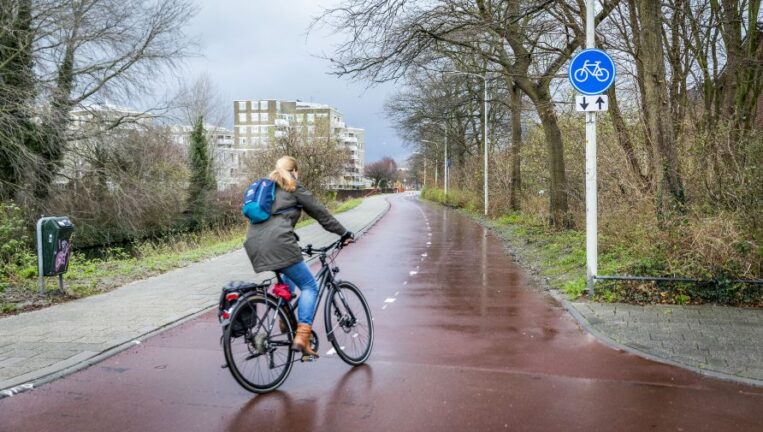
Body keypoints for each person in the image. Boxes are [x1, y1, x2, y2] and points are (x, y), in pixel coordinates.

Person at [244, 156, 353, 357]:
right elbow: (321, 213)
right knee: (309, 286)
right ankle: (302, 337)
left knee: (288, 273)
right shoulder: (294, 186)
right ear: (294, 171)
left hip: (253, 244)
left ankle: (285, 319)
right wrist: (344, 233)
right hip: (280, 244)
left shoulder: (266, 188)